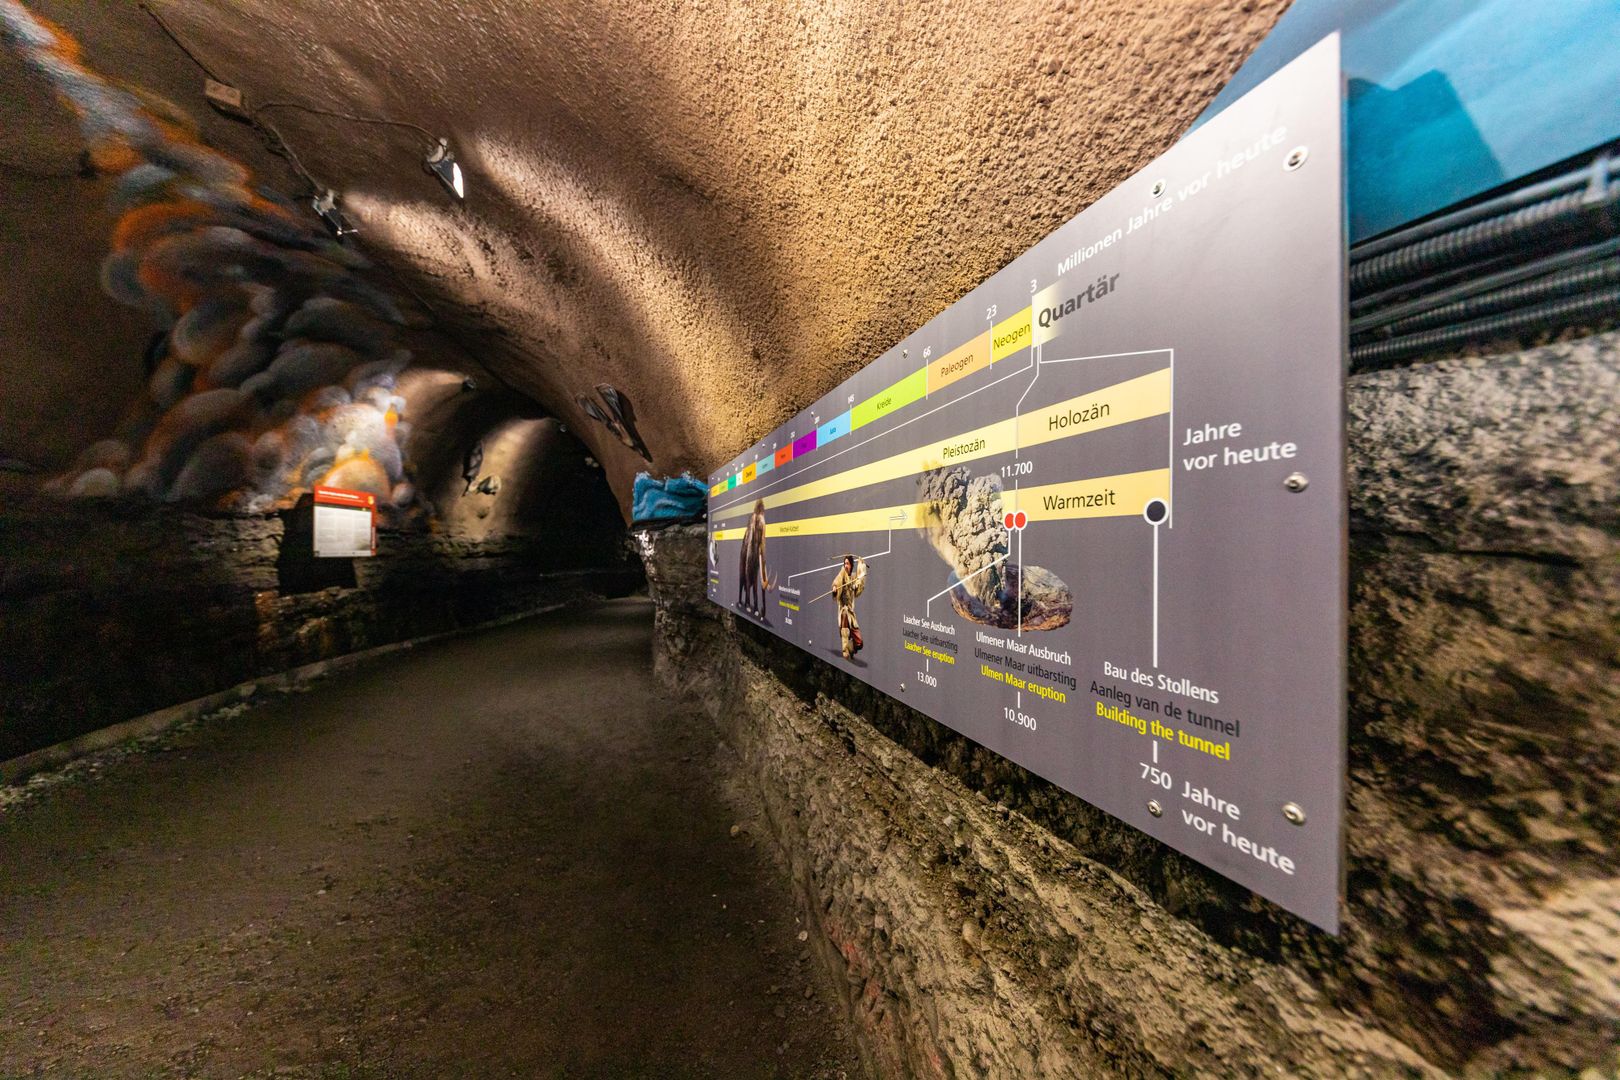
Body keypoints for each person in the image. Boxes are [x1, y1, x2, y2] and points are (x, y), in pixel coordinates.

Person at [830, 554, 867, 659]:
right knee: (845, 620)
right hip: (843, 610)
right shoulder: (842, 573)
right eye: (845, 563)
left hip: (851, 611)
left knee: (859, 643)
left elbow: (860, 580)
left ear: (851, 565)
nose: (846, 565)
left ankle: (850, 649)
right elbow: (837, 580)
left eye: (847, 563)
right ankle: (845, 649)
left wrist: (861, 565)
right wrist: (835, 587)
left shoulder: (854, 577)